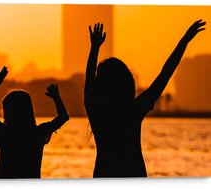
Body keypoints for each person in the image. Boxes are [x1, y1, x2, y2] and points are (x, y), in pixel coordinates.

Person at [84, 20, 206, 177]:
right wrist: (184, 40)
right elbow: (165, 75)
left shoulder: (97, 110)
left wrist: (94, 48)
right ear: (127, 84)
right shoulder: (132, 111)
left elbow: (89, 83)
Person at [0, 66, 69, 178]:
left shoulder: (4, 132)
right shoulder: (38, 133)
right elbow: (63, 117)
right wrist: (57, 98)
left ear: (8, 112)